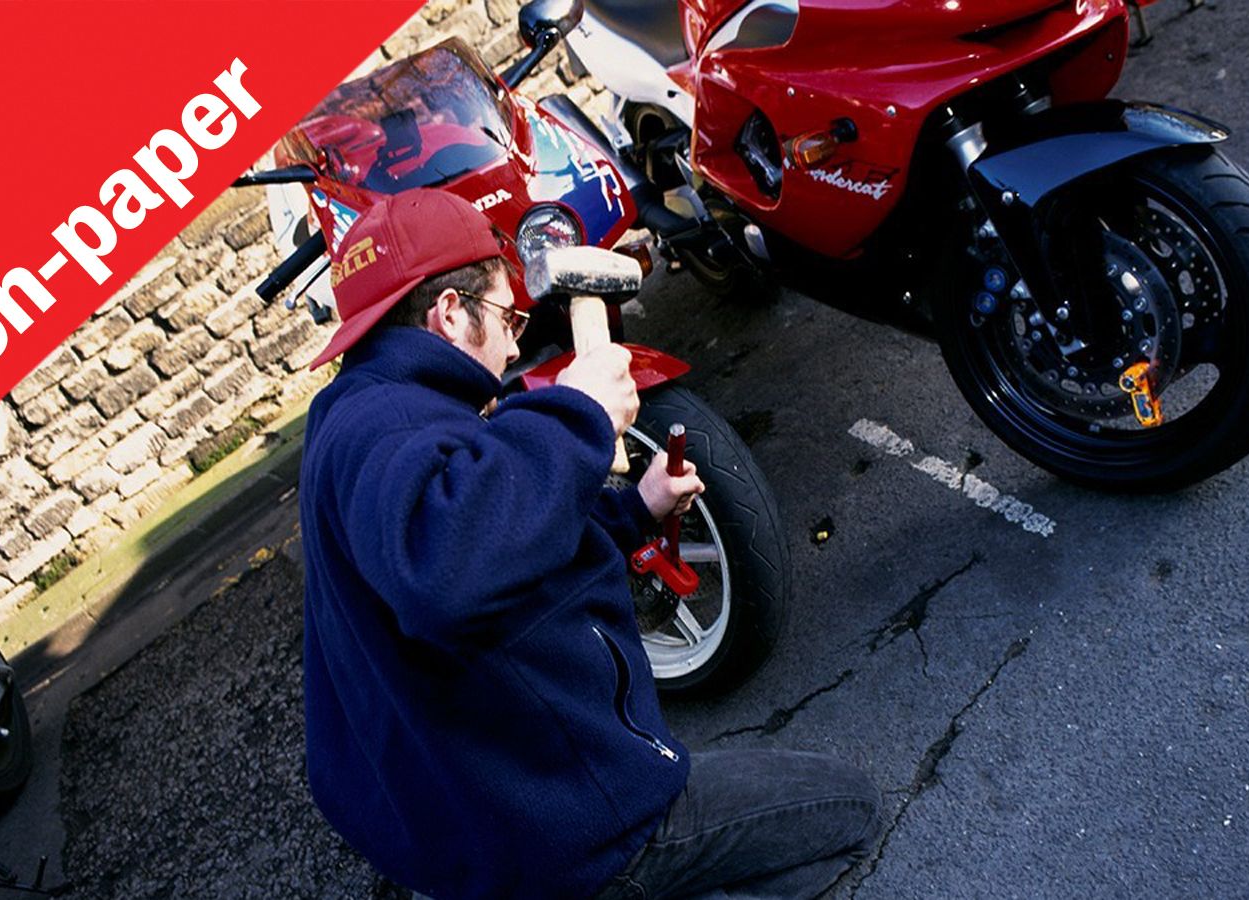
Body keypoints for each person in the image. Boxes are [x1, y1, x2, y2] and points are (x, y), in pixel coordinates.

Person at [299, 188, 879, 899]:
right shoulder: (389, 426)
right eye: (508, 315)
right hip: (567, 838)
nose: (515, 342)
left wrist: (637, 508)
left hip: (467, 828)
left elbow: (510, 556)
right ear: (450, 315)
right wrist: (577, 415)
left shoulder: (351, 420)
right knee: (848, 806)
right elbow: (446, 570)